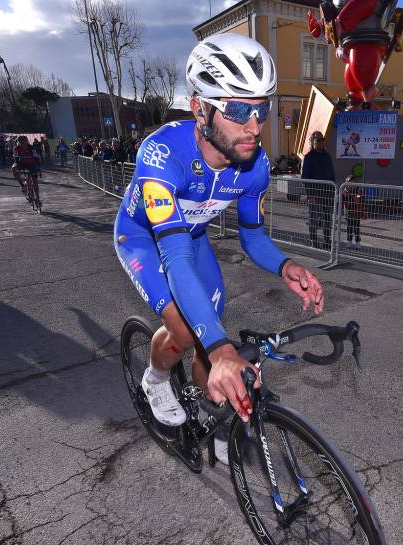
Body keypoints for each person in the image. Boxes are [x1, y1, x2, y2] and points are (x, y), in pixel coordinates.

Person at [114, 33, 324, 462]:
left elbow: (252, 236)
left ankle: (211, 414)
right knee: (191, 332)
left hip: (189, 237)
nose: (254, 126)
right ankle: (155, 379)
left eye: (261, 109)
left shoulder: (255, 165)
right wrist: (220, 348)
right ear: (199, 108)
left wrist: (285, 267)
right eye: (238, 110)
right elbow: (171, 256)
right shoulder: (160, 155)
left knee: (212, 327)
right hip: (145, 240)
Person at [301, 131, 336, 249]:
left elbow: (332, 175)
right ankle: (314, 241)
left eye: (322, 140)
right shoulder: (308, 158)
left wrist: (334, 190)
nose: (320, 143)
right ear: (312, 142)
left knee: (327, 219)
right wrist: (310, 195)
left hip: (327, 193)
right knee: (314, 218)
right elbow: (305, 178)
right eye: (317, 140)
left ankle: (327, 241)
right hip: (314, 194)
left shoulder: (327, 156)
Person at [12, 135, 41, 205]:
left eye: (24, 142)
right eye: (20, 143)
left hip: (31, 164)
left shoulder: (31, 147)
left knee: (35, 182)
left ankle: (38, 198)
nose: (22, 144)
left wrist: (38, 167)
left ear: (26, 141)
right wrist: (18, 166)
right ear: (18, 142)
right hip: (21, 164)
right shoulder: (16, 148)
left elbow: (36, 158)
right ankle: (22, 185)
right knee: (13, 168)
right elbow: (16, 158)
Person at [342, 174, 367, 248]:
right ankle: (349, 242)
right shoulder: (344, 191)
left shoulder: (358, 190)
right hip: (348, 212)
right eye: (348, 182)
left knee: (356, 228)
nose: (349, 183)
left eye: (351, 181)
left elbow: (360, 200)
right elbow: (342, 201)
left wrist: (363, 211)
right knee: (349, 228)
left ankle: (357, 243)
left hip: (356, 212)